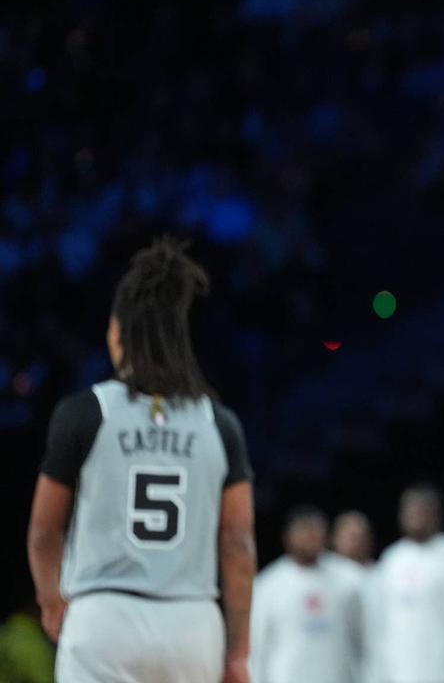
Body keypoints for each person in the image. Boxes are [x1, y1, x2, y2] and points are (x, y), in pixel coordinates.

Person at [26, 237, 256, 683]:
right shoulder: (219, 423)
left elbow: (43, 530)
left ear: (117, 333)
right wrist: (239, 652)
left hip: (104, 617)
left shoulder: (84, 413)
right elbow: (238, 542)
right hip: (191, 623)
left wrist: (51, 599)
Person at [360, 484, 444, 683]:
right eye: (409, 509)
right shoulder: (392, 559)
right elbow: (379, 628)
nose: (414, 515)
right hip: (395, 675)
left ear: (437, 514)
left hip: (439, 674)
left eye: (421, 509)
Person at [250, 507, 365, 683]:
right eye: (303, 531)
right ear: (287, 537)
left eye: (315, 531)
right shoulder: (268, 585)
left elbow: (362, 638)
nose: (310, 538)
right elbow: (258, 646)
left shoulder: (350, 580)